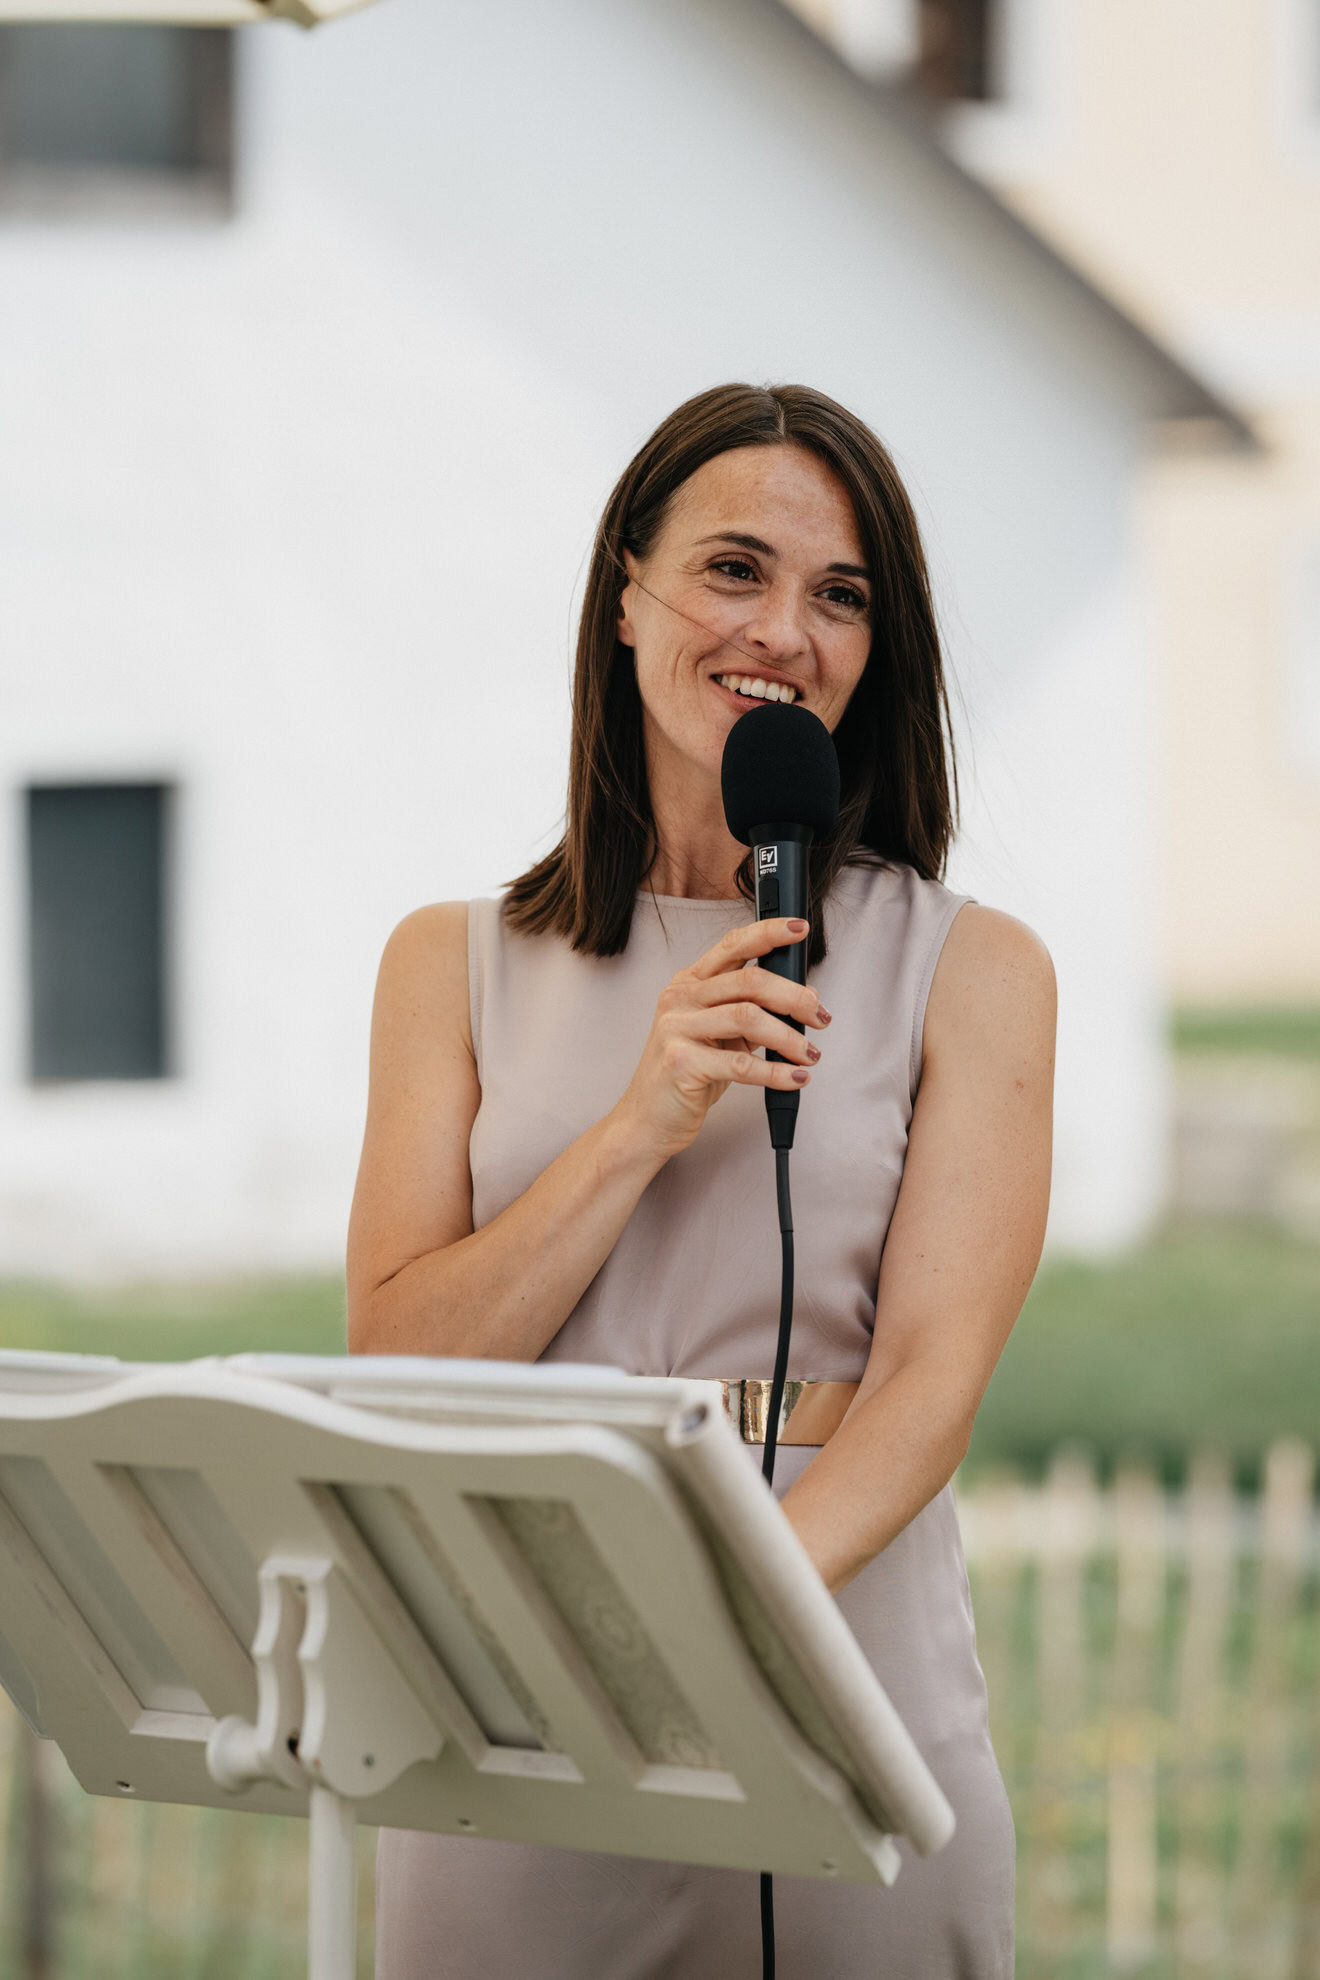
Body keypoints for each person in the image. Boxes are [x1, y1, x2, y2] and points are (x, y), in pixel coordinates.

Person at [346, 381, 1055, 1978]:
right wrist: (637, 1125)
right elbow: (395, 1358)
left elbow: (930, 1385)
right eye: (735, 568)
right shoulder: (445, 963)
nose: (784, 633)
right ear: (626, 595)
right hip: (519, 1675)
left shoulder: (979, 971)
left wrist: (725, 1627)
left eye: (841, 594)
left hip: (838, 1660)